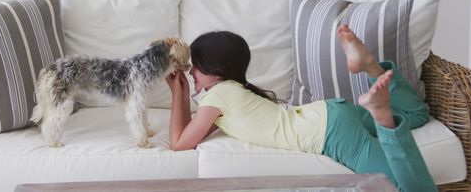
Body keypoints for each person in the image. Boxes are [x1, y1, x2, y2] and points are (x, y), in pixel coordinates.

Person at [164, 25, 437, 192]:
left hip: (330, 133)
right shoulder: (229, 94)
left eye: (195, 65)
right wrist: (184, 92)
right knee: (416, 114)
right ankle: (370, 66)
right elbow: (191, 132)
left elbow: (179, 143)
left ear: (217, 70)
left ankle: (383, 115)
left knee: (402, 189)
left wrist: (178, 92)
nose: (190, 71)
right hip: (330, 113)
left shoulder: (218, 97)